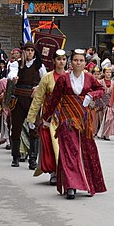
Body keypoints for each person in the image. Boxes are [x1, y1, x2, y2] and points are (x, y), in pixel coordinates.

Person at [42, 49, 106, 200]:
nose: (78, 63)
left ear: (85, 63)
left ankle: (89, 183)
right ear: (71, 62)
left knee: (87, 150)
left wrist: (91, 95)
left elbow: (101, 90)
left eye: (81, 60)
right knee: (70, 151)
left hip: (84, 120)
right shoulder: (63, 79)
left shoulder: (90, 78)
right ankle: (71, 186)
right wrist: (46, 118)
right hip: (67, 119)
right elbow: (54, 100)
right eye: (76, 60)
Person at [25, 49, 67, 183]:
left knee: (66, 145)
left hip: (67, 116)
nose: (61, 61)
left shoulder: (70, 77)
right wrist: (31, 117)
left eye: (64, 59)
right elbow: (38, 98)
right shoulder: (47, 77)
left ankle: (66, 172)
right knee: (51, 144)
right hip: (50, 117)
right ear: (54, 61)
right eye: (59, 59)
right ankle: (54, 172)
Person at [7, 41, 47, 167]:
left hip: (32, 100)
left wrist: (38, 87)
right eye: (27, 50)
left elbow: (45, 80)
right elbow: (11, 74)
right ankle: (15, 157)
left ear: (34, 52)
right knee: (16, 128)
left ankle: (33, 159)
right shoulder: (17, 64)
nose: (29, 52)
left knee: (33, 128)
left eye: (32, 50)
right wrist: (13, 78)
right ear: (24, 51)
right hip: (18, 99)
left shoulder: (39, 65)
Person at [96, 67, 114, 141]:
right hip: (101, 102)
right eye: (107, 72)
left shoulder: (113, 82)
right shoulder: (100, 82)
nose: (108, 74)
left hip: (110, 102)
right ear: (104, 73)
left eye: (110, 72)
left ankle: (107, 134)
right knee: (101, 118)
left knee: (109, 118)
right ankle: (100, 133)